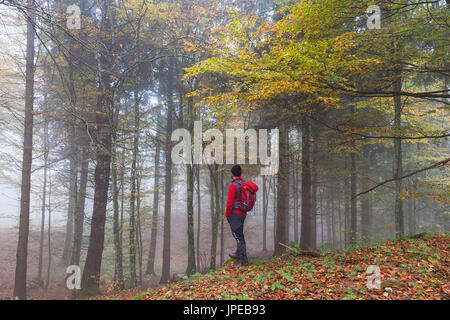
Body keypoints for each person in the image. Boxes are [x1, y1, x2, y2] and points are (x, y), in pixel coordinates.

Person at [225, 165, 249, 267]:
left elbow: (230, 203)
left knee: (239, 237)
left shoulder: (233, 186)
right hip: (243, 213)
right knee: (239, 235)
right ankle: (238, 254)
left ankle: (243, 261)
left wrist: (227, 215)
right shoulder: (243, 184)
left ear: (232, 174)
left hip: (235, 214)